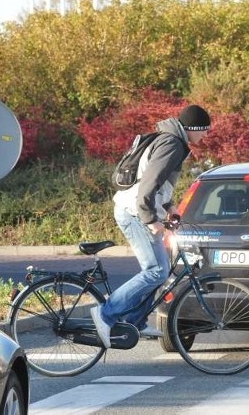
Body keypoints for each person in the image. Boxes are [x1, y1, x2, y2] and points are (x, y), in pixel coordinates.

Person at [91, 104, 211, 348]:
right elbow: (148, 184)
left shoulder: (171, 141)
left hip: (138, 210)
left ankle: (135, 320)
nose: (205, 136)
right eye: (204, 130)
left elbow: (158, 183)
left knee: (162, 270)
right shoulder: (172, 144)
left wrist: (169, 207)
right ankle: (106, 314)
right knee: (156, 270)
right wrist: (151, 220)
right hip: (134, 213)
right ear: (193, 128)